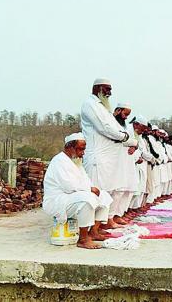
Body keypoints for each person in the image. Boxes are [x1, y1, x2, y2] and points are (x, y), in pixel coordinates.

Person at [81, 78, 138, 229]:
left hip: (109, 159)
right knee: (97, 193)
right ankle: (89, 229)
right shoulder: (90, 104)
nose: (110, 93)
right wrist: (126, 138)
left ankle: (103, 224)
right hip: (97, 158)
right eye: (107, 89)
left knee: (108, 193)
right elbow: (105, 128)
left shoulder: (104, 108)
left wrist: (131, 141)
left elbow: (117, 131)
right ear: (98, 88)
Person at [42, 132, 113, 249]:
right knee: (88, 199)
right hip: (58, 200)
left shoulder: (76, 162)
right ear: (69, 147)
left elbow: (86, 182)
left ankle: (93, 231)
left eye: (84, 149)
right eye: (80, 149)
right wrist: (90, 190)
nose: (83, 153)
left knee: (104, 196)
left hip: (73, 197)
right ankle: (83, 239)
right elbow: (68, 186)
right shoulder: (59, 161)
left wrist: (93, 190)